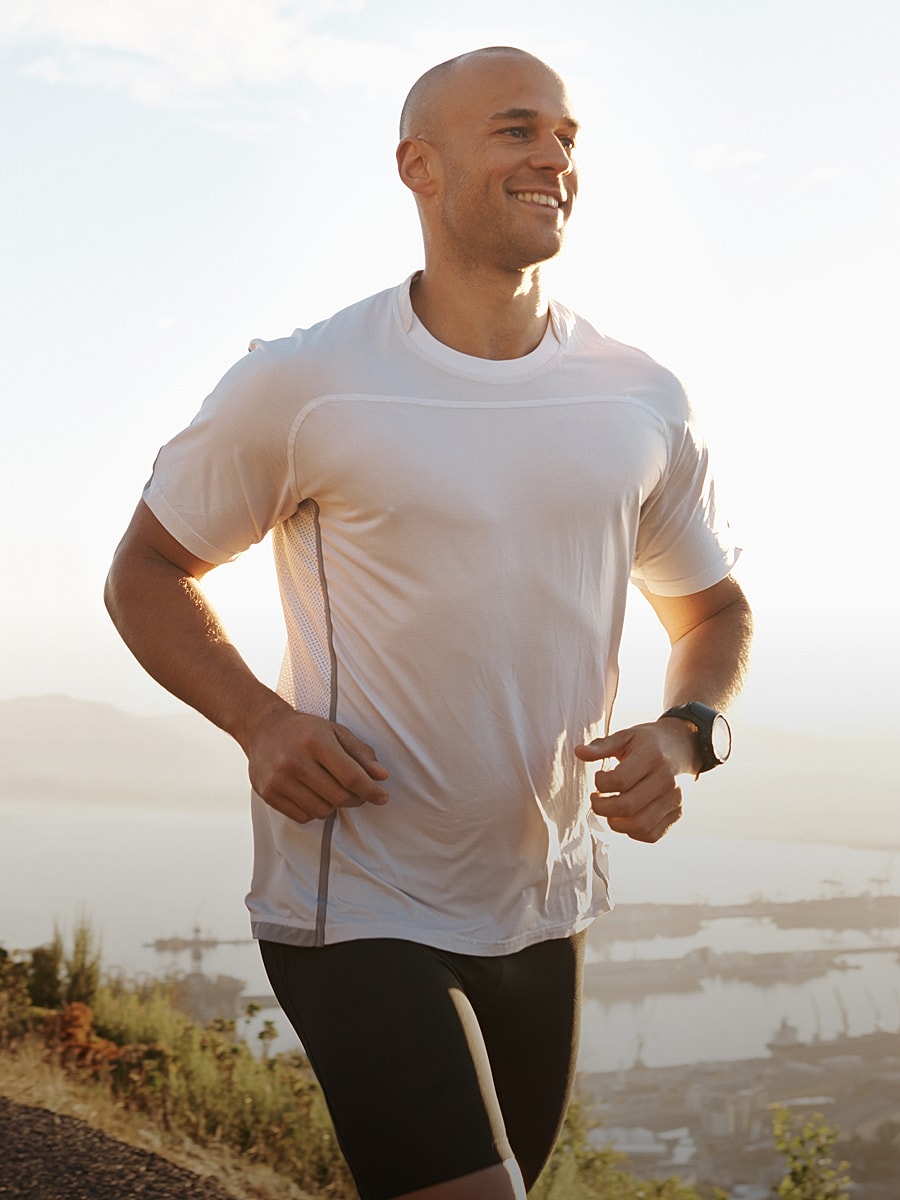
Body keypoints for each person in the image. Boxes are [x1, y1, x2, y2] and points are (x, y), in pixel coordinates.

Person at [105, 45, 752, 1200]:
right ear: (420, 165)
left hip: (545, 903)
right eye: (516, 130)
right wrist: (259, 722)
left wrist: (687, 732)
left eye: (566, 135)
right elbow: (147, 572)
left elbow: (712, 609)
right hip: (352, 900)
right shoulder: (306, 383)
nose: (552, 154)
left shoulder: (637, 393)